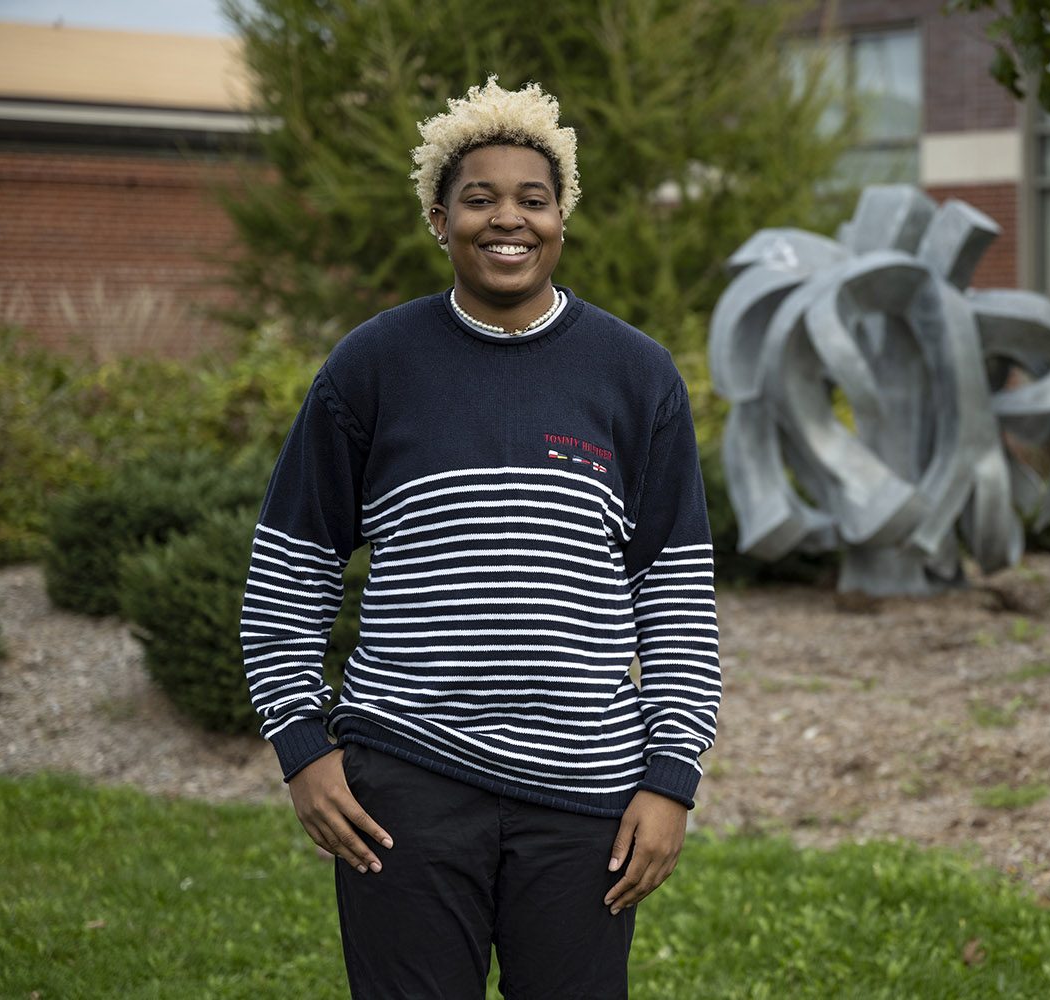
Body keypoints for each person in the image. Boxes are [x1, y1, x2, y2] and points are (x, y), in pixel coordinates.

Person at [239, 76, 721, 998]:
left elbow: (673, 592)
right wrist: (301, 746)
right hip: (404, 787)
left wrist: (670, 777)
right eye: (480, 198)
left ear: (562, 217)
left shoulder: (636, 376)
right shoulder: (373, 366)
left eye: (533, 199)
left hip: (586, 799)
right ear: (438, 217)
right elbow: (290, 569)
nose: (509, 219)